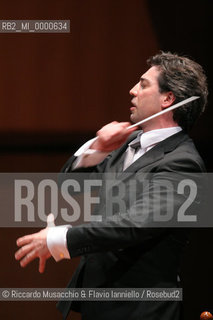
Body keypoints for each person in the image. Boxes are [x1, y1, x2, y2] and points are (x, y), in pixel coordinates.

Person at [15, 51, 208, 320]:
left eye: (143, 84)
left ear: (168, 98)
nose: (132, 91)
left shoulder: (183, 163)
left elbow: (132, 224)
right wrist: (98, 148)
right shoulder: (126, 144)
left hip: (142, 310)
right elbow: (70, 188)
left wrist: (60, 239)